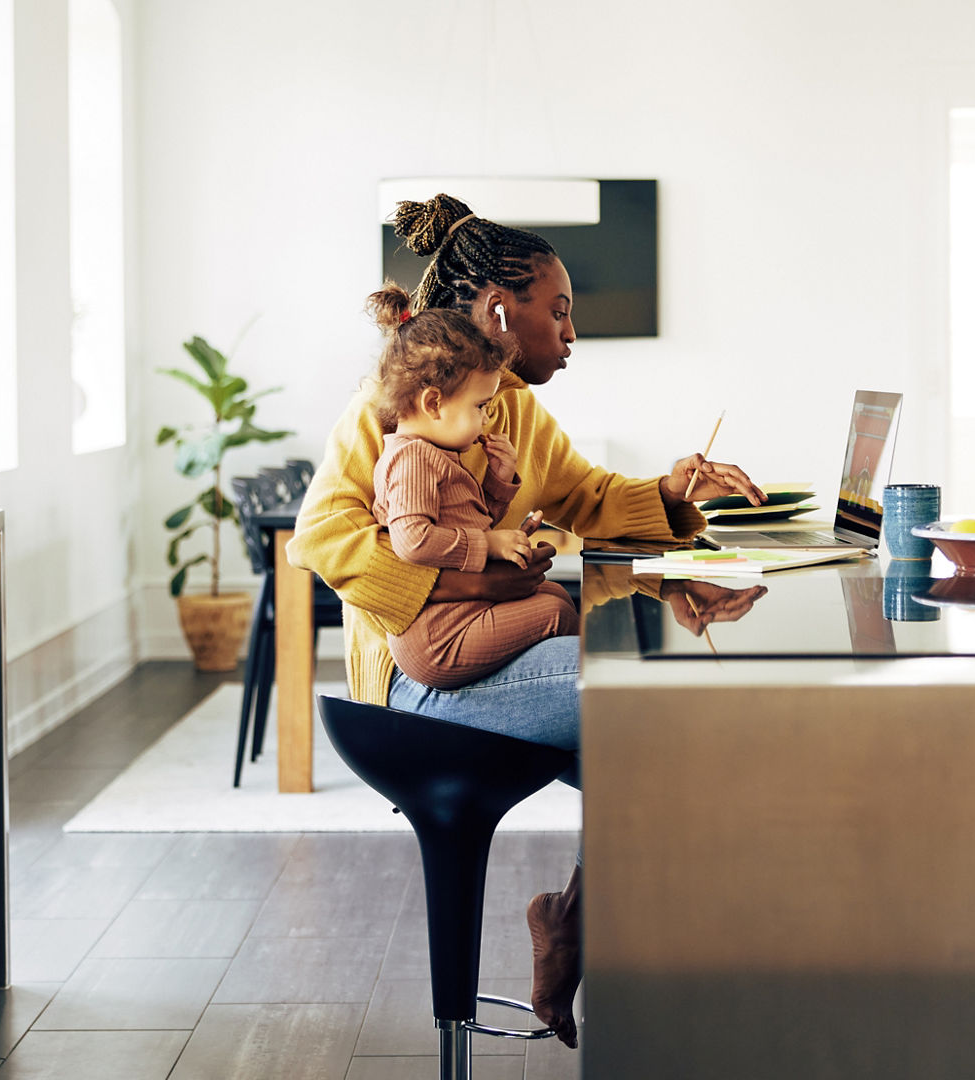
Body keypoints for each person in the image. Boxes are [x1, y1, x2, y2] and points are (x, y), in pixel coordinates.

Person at [287, 193, 765, 1047]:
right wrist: (457, 587)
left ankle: (582, 922)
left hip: (487, 653)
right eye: (562, 311)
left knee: (672, 733)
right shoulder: (397, 406)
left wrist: (669, 491)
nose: (572, 332)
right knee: (659, 714)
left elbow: (585, 497)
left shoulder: (509, 407)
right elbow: (320, 534)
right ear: (502, 311)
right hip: (416, 681)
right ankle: (614, 944)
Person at [366, 295, 578, 688]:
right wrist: (492, 546)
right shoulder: (411, 459)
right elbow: (412, 541)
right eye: (480, 406)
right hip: (439, 640)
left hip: (461, 619)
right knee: (557, 613)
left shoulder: (436, 454)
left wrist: (498, 482)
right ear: (433, 402)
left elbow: (468, 521)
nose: (485, 420)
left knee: (556, 597)